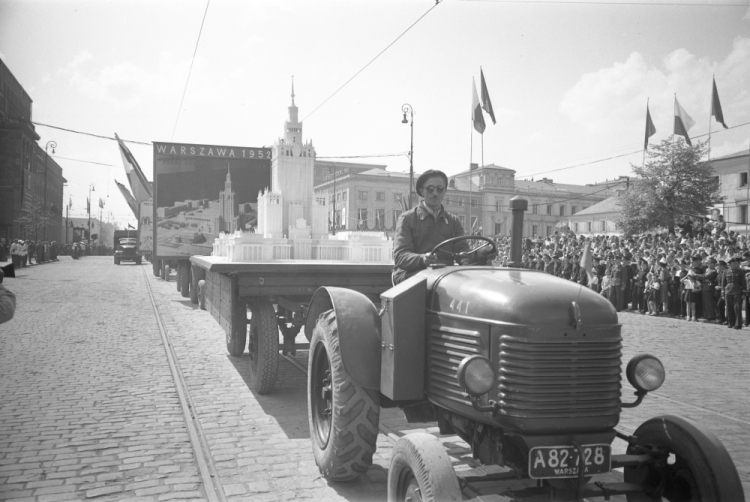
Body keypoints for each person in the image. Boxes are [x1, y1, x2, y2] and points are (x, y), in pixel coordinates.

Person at [392, 169, 493, 285]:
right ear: (422, 191)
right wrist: (422, 259)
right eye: (430, 189)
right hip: (411, 276)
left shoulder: (453, 221)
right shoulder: (407, 219)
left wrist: (482, 253)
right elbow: (400, 256)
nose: (435, 193)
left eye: (440, 189)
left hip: (443, 277)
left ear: (445, 191)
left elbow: (463, 254)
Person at [721, 256, 746, 330]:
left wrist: (744, 293)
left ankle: (738, 324)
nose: (736, 265)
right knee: (729, 308)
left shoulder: (740, 271)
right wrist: (722, 292)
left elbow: (743, 283)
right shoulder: (725, 271)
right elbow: (723, 283)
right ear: (730, 264)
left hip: (737, 291)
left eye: (736, 263)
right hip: (728, 291)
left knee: (737, 308)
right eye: (734, 263)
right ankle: (731, 323)